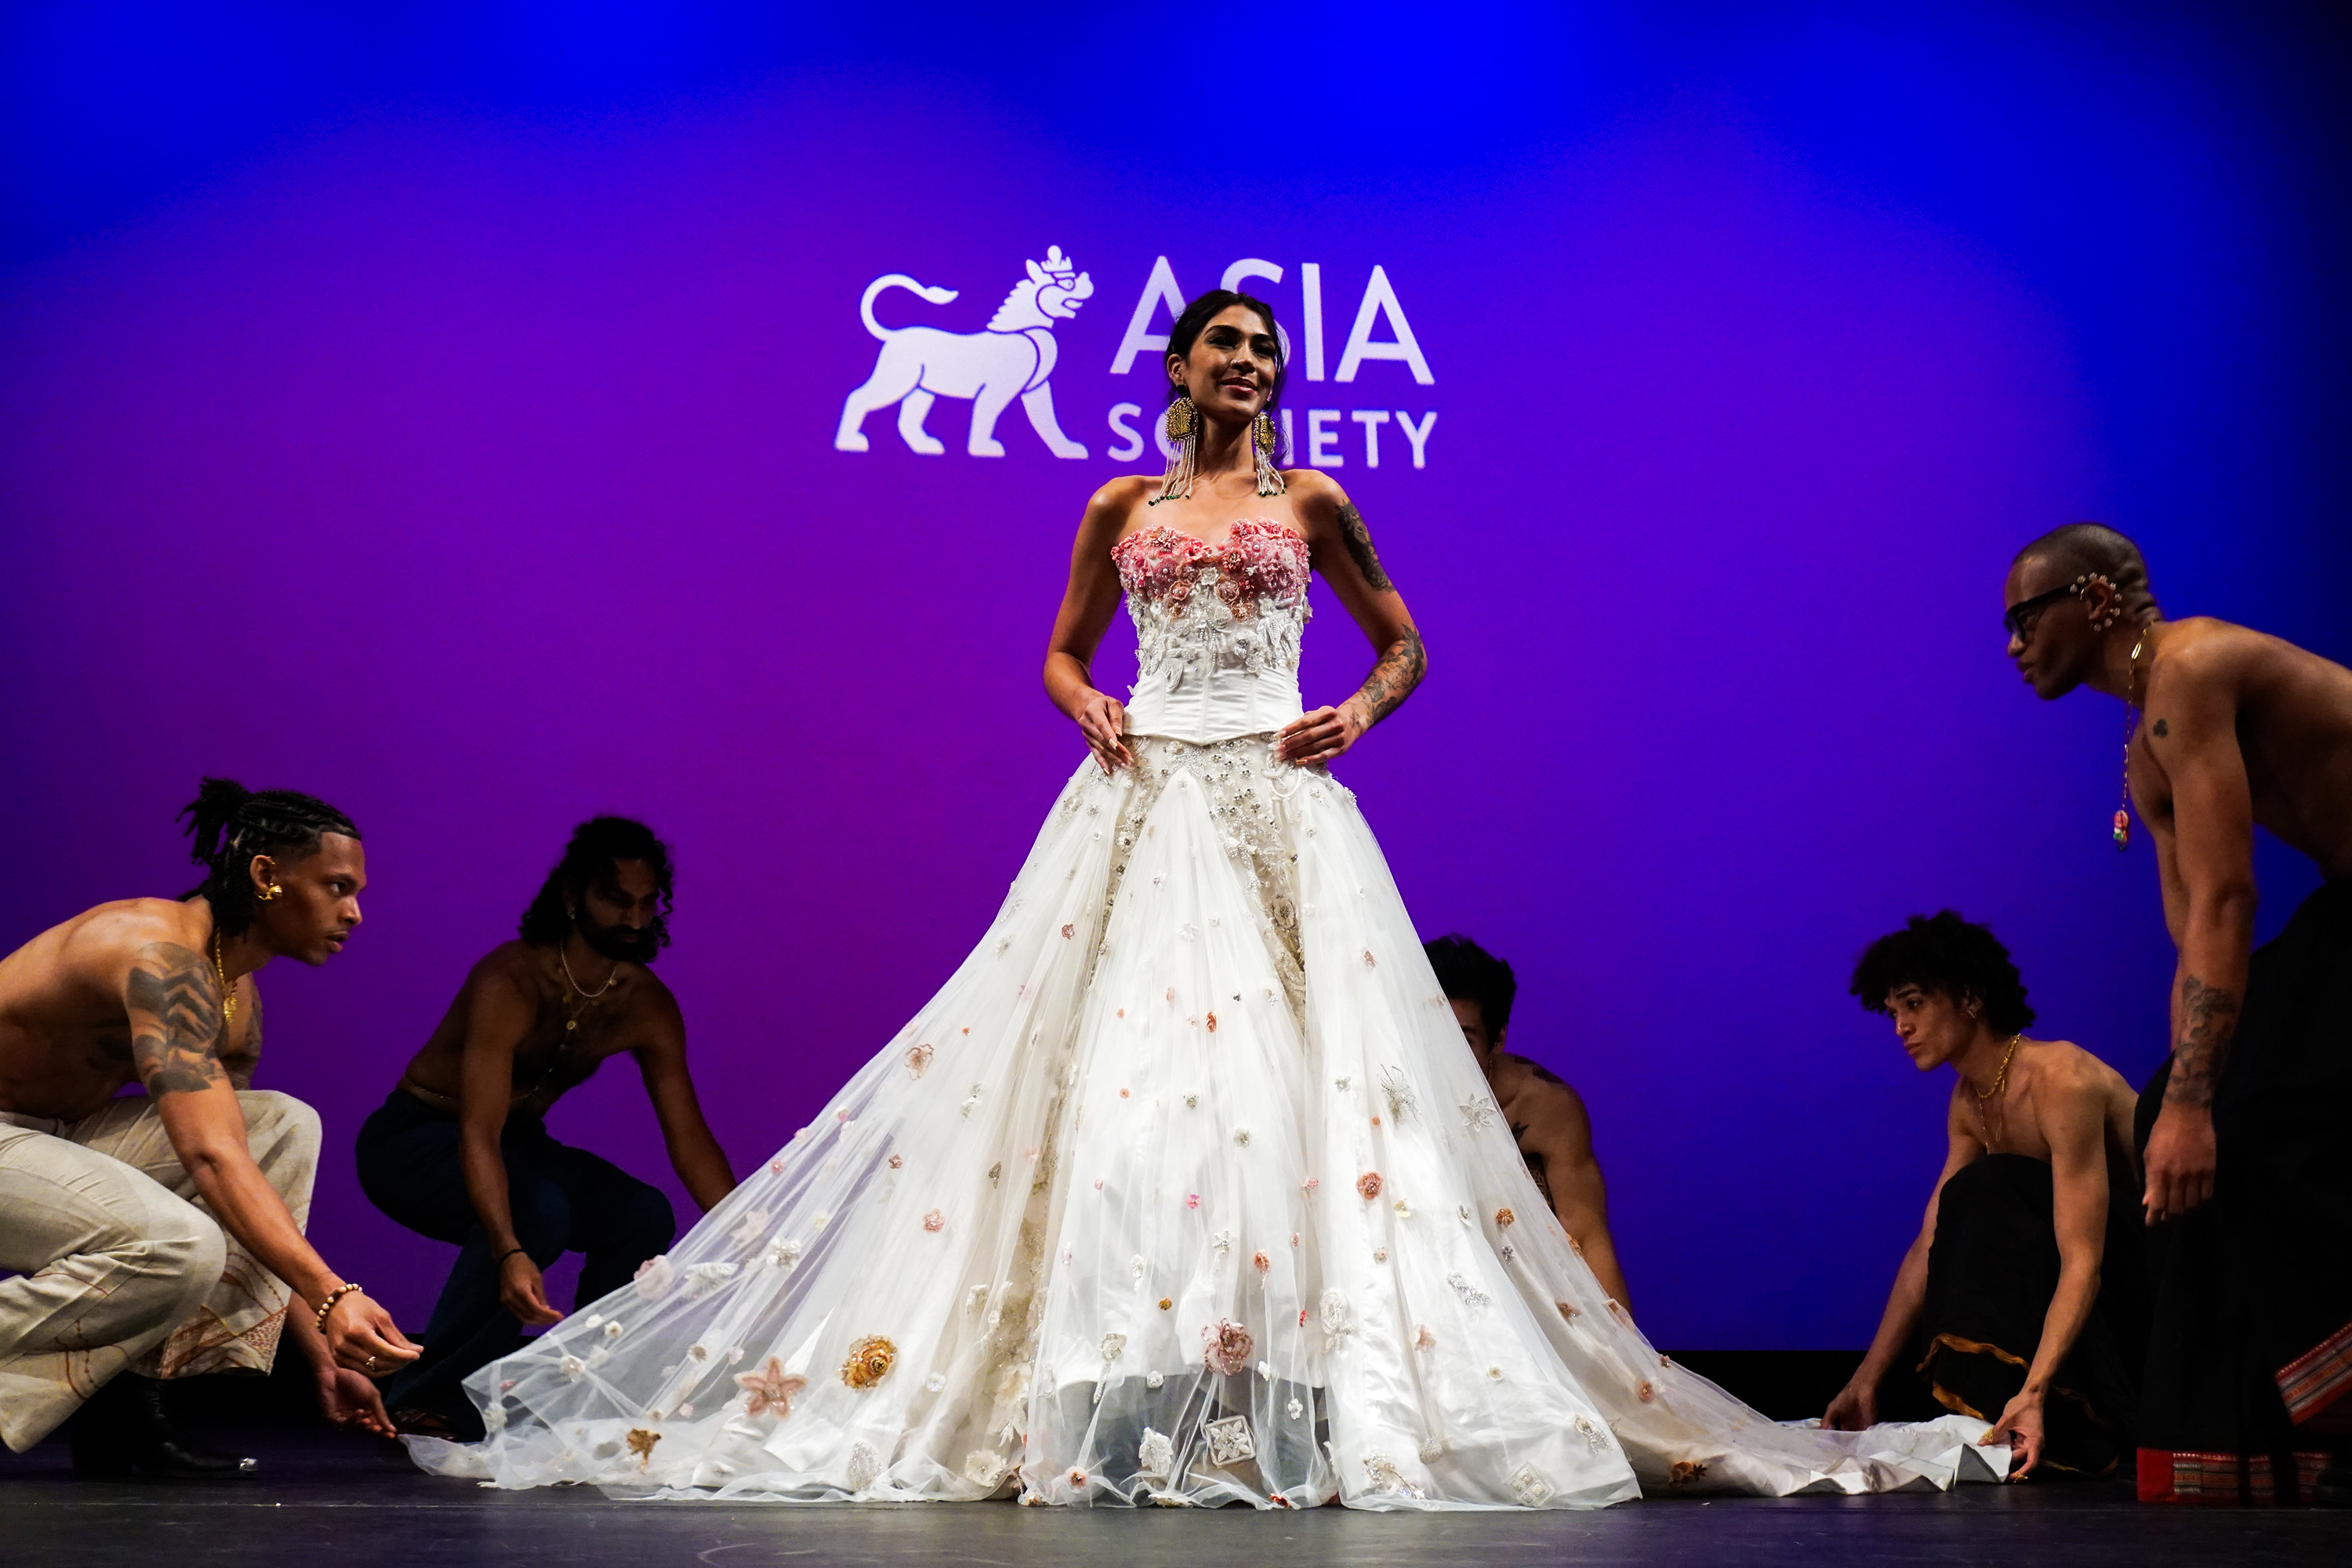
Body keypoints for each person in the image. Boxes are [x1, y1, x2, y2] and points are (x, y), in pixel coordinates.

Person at [406, 292, 2004, 1508]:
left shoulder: (1311, 503)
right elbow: (1054, 646)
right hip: (1143, 790)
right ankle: (1122, 1391)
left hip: (1275, 798)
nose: (1246, 362)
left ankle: (1286, 1388)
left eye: (1262, 347)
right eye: (1221, 345)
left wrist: (1356, 719)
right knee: (1128, 1087)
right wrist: (1083, 705)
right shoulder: (1122, 506)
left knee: (1297, 1094)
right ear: (1178, 371)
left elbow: (1408, 640)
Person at [2004, 523, 2352, 1504]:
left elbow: (2232, 900)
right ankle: (2265, 1449)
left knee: (2243, 1121)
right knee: (2176, 1132)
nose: (2013, 645)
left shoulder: (2190, 668)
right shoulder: (2143, 742)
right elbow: (2192, 933)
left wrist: (2203, 1110)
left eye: (2027, 617)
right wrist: (2180, 1116)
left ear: (2098, 599)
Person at [0, 779, 417, 1475]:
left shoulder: (234, 996)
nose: (355, 913)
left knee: (283, 1126)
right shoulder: (159, 955)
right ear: (266, 876)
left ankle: (126, 1408)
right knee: (179, 1244)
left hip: (44, 1138)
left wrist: (321, 1350)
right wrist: (336, 1297)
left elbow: (243, 1190)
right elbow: (210, 1159)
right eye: (338, 887)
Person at [356, 816, 737, 1439]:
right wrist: (509, 1250)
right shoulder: (511, 981)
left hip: (517, 1145)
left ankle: (577, 1386)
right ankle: (423, 1397)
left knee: (641, 1213)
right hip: (415, 1140)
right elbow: (478, 1133)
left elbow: (689, 1138)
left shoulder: (645, 1005)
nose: (635, 920)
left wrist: (749, 1236)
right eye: (616, 900)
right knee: (538, 1212)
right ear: (572, 897)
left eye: (646, 904)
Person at [1823, 912, 2148, 1480]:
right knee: (1968, 1208)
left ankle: (2071, 1415)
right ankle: (2013, 1417)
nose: (1900, 1026)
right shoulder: (1968, 1104)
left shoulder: (2059, 1078)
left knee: (1991, 1189)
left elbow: (2083, 1259)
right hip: (2092, 1282)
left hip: (2162, 1271)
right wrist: (1866, 1380)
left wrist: (2036, 1389)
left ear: (1970, 997)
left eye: (1915, 1004)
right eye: (1893, 1012)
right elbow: (1931, 1242)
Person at [1423, 935, 1631, 1312]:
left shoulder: (1543, 1105)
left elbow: (1585, 1232)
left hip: (1516, 1291)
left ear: (1498, 1038)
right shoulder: (1381, 1089)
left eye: (1463, 1040)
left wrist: (1630, 1360)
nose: (1442, 1054)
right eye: (1430, 1032)